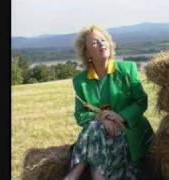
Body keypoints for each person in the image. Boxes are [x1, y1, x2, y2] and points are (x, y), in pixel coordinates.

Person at [64, 25, 154, 180]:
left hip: (128, 133)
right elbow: (80, 115)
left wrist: (120, 117)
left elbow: (141, 101)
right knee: (96, 127)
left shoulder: (127, 69)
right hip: (101, 137)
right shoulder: (81, 81)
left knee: (94, 128)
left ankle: (74, 174)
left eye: (103, 40)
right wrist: (101, 118)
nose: (101, 44)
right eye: (94, 43)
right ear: (86, 52)